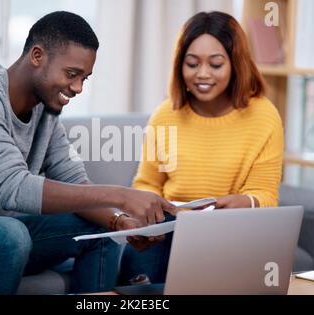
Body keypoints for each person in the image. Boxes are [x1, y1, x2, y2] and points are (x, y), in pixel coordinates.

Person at [0, 11, 177, 295]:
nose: (78, 87)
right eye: (71, 74)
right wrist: (122, 195)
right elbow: (14, 188)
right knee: (7, 234)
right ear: (37, 55)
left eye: (85, 78)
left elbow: (76, 185)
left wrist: (120, 223)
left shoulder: (45, 111)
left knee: (101, 230)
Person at [119, 11, 284, 284]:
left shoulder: (264, 116)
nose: (202, 74)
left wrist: (245, 201)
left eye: (216, 64)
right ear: (179, 66)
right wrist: (151, 210)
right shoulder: (165, 115)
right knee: (142, 254)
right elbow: (147, 183)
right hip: (171, 226)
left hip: (232, 229)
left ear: (235, 65)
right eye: (192, 64)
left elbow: (265, 194)